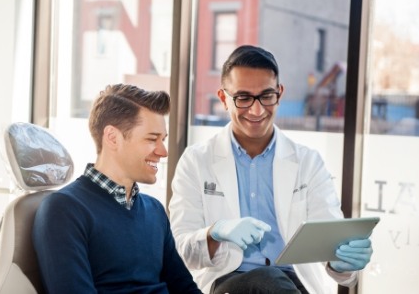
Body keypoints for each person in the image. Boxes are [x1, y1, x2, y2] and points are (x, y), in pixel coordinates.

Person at [168, 45, 373, 294]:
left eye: (266, 96)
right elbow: (181, 250)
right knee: (267, 280)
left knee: (274, 282)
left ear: (279, 93)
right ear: (223, 99)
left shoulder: (308, 163)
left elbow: (331, 242)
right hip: (227, 283)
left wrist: (343, 261)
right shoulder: (196, 161)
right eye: (243, 98)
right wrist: (215, 232)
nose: (257, 110)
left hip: (293, 284)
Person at [33, 83, 202, 294]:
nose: (163, 151)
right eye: (152, 139)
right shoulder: (65, 209)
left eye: (163, 140)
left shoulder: (155, 211)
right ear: (112, 138)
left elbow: (184, 289)